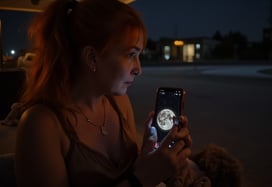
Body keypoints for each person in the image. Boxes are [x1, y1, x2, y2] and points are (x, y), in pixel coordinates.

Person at [15, 0, 194, 186]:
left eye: (139, 56)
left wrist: (152, 158)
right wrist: (143, 178)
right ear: (92, 57)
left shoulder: (120, 103)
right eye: (131, 55)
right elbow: (139, 178)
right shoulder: (41, 125)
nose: (139, 69)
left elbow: (134, 171)